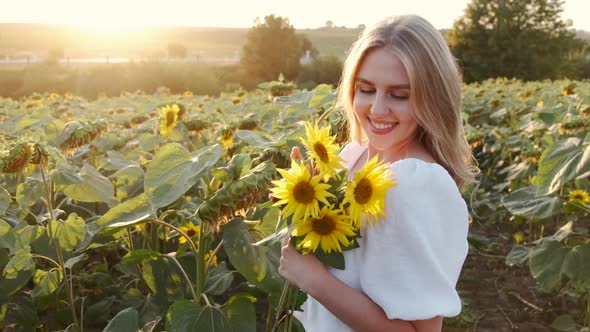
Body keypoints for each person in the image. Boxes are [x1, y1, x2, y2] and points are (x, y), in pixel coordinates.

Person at [278, 15, 479, 332]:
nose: (377, 109)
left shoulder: (414, 185)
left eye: (400, 95)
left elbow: (421, 331)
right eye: (366, 89)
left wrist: (313, 278)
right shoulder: (353, 154)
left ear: (433, 98)